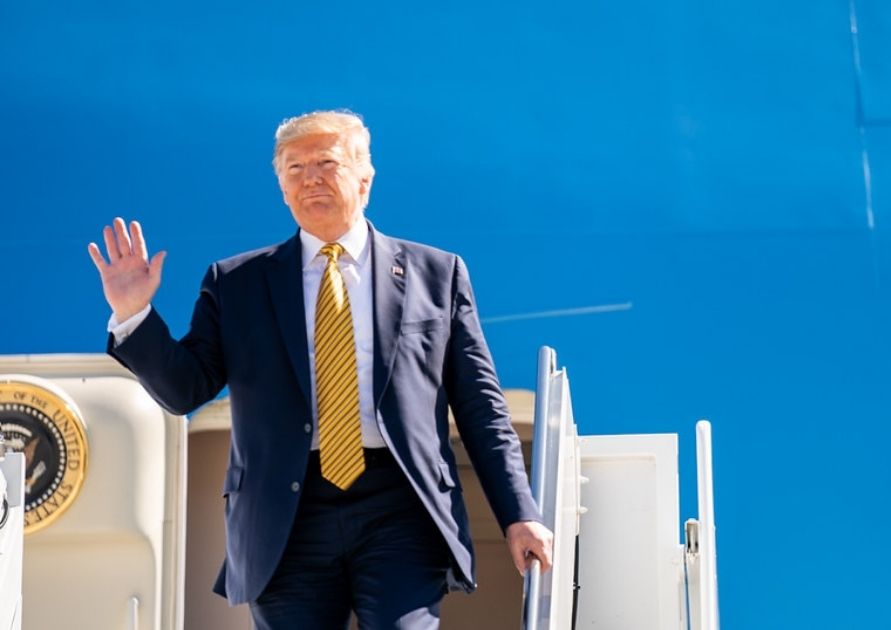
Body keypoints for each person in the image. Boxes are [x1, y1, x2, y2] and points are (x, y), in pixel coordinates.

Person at [87, 110, 553, 629]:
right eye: (293, 168)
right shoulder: (237, 283)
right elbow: (185, 388)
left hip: (400, 505)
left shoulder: (436, 274)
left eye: (326, 163)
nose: (309, 178)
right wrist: (135, 315)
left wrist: (521, 513)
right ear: (281, 188)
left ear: (364, 177)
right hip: (285, 516)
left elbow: (480, 407)